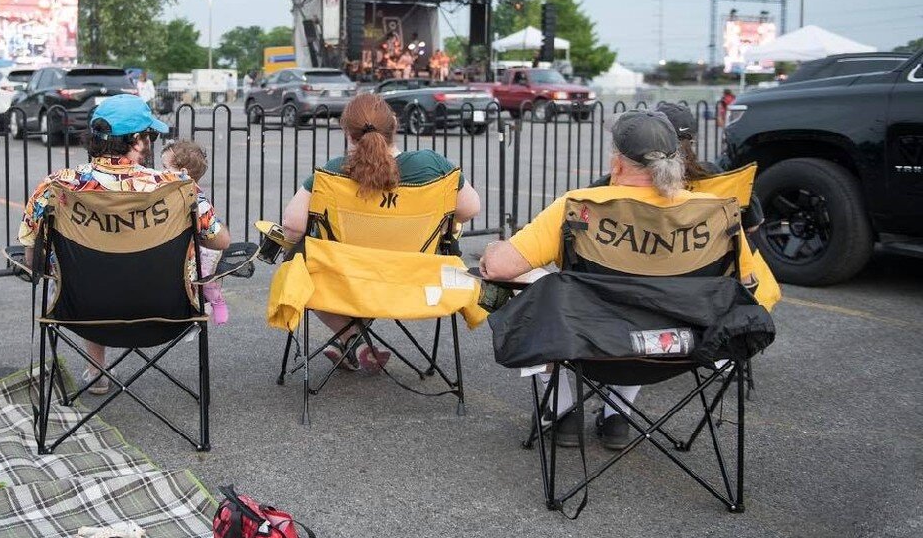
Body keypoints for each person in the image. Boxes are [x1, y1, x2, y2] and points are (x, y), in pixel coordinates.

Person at [480, 110, 713, 450]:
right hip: (682, 346)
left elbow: (499, 268)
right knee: (650, 303)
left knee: (515, 284)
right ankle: (618, 412)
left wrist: (493, 247)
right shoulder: (714, 213)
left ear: (617, 164)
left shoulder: (580, 207)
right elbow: (754, 289)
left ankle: (561, 410)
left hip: (590, 343)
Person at [17, 94, 230, 395]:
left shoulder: (55, 187)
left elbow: (31, 257)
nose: (151, 142)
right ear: (138, 141)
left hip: (80, 311)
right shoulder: (177, 187)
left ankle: (96, 370)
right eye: (150, 135)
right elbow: (220, 240)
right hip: (166, 310)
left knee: (94, 274)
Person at [280, 93, 482, 373]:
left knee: (301, 267)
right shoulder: (432, 165)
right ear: (395, 124)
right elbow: (470, 209)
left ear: (348, 134)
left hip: (347, 279)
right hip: (416, 279)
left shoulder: (333, 173)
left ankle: (350, 337)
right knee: (375, 265)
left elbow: (292, 225)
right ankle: (353, 340)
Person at [589, 101, 764, 233]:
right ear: (692, 141)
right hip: (704, 273)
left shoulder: (616, 184)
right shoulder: (722, 180)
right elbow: (753, 226)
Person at [162, 140, 231, 325]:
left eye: (165, 167)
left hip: (193, 255)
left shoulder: (197, 199)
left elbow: (215, 235)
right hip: (184, 256)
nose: (161, 172)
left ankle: (215, 300)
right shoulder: (170, 195)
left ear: (182, 172)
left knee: (205, 271)